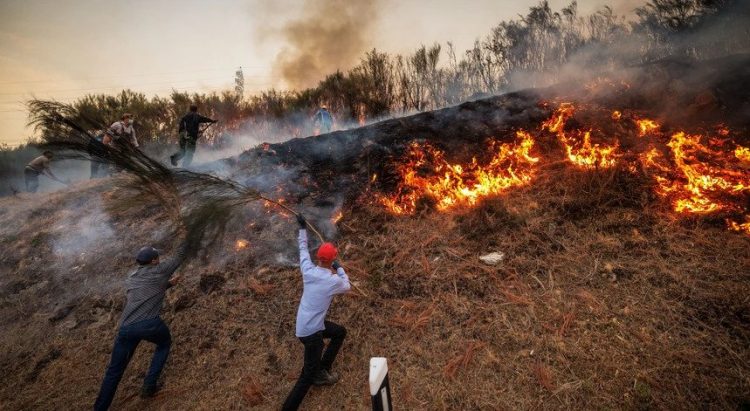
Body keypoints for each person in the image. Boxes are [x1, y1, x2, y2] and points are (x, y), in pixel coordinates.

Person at [94, 240, 189, 410]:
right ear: (153, 261)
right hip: (149, 324)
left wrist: (168, 284)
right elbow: (179, 256)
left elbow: (144, 292)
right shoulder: (159, 270)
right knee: (164, 344)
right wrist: (193, 232)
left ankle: (99, 408)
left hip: (126, 328)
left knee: (114, 372)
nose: (158, 259)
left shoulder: (132, 277)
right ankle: (149, 386)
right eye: (157, 257)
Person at [282, 214, 351, 411]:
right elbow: (347, 287)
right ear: (331, 261)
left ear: (318, 258)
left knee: (339, 332)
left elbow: (303, 249)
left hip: (305, 326)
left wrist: (302, 227)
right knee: (306, 377)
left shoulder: (307, 270)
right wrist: (340, 269)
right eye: (334, 260)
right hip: (311, 334)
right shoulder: (332, 281)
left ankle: (323, 369)